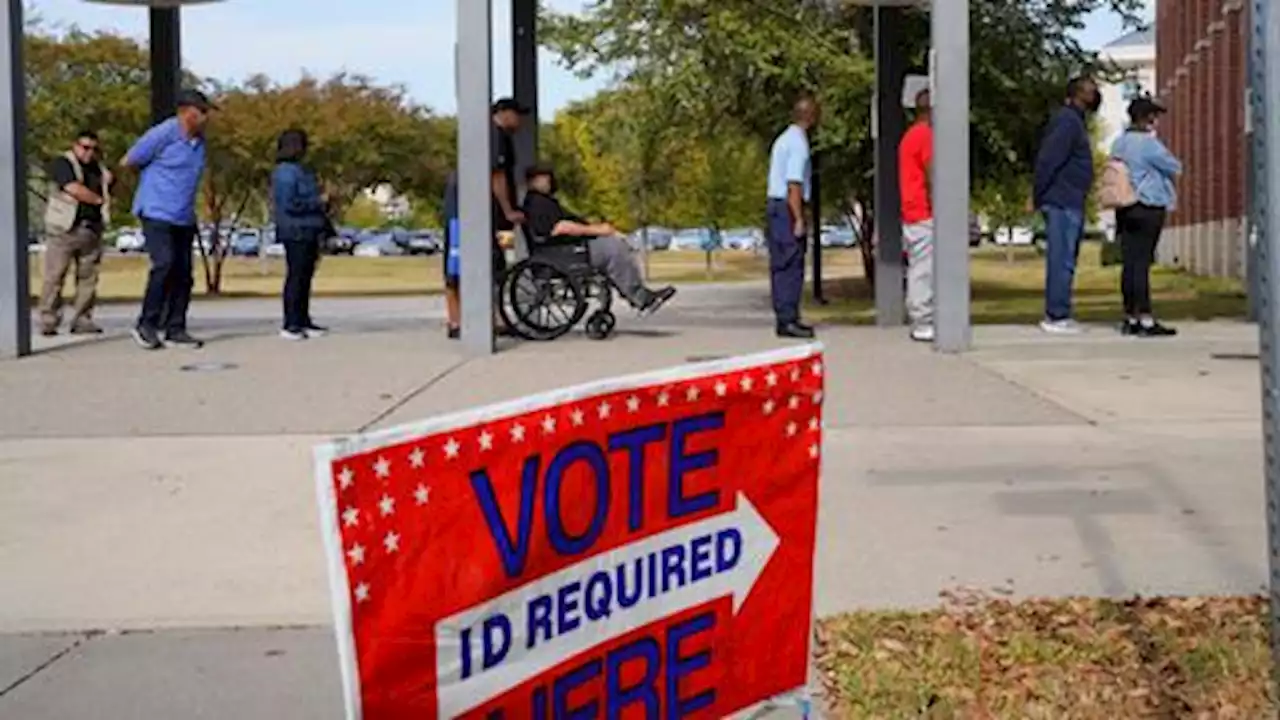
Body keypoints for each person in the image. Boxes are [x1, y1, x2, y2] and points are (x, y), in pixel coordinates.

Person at [121, 89, 215, 350]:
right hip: (156, 211)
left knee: (184, 273)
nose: (206, 118)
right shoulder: (164, 134)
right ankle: (146, 324)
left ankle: (175, 328)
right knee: (164, 263)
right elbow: (129, 160)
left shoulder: (200, 143)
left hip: (183, 215)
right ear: (186, 112)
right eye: (202, 112)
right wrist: (150, 185)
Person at [522, 165, 677, 313]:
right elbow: (560, 227)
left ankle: (636, 292)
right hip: (566, 254)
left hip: (568, 250)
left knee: (618, 243)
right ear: (531, 181)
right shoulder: (538, 203)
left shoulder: (544, 201)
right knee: (615, 249)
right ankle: (639, 296)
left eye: (546, 177)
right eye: (541, 177)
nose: (546, 180)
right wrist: (596, 230)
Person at [1034, 76, 1102, 335]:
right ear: (1076, 94)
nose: (1094, 96)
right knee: (1061, 260)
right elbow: (1049, 158)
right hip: (1062, 200)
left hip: (1071, 199)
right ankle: (1056, 314)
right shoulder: (1067, 121)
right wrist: (1039, 193)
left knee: (1067, 259)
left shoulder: (1076, 122)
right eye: (1090, 91)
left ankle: (1060, 312)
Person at [1110, 97, 1181, 337]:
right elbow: (1174, 166)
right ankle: (1147, 320)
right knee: (1142, 263)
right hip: (1149, 205)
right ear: (1147, 118)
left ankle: (1130, 317)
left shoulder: (1118, 144)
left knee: (1129, 264)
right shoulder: (1149, 145)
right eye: (1154, 116)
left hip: (1124, 206)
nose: (1156, 120)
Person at [38, 130, 111, 337]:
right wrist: (98, 200)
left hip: (91, 229)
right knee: (55, 276)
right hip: (65, 229)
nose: (90, 153)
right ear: (75, 146)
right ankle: (48, 320)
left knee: (88, 277)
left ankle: (82, 319)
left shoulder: (99, 169)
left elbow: (109, 187)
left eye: (94, 149)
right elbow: (72, 188)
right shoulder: (63, 163)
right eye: (85, 147)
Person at [766, 95, 819, 339]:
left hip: (775, 205)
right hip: (787, 207)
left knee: (779, 264)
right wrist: (798, 217)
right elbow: (794, 183)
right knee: (791, 263)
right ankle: (789, 318)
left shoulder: (783, 139)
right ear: (809, 116)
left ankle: (783, 316)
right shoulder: (798, 143)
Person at [272, 129, 330, 341]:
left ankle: (304, 319)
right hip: (295, 230)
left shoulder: (302, 171)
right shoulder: (286, 172)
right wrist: (318, 202)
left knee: (305, 277)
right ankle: (290, 323)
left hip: (310, 229)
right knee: (296, 276)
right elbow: (290, 203)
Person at [899, 89, 934, 343]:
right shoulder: (925, 135)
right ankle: (922, 319)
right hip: (923, 211)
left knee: (919, 265)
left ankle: (922, 316)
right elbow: (933, 172)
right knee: (923, 268)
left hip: (912, 210)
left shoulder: (910, 135)